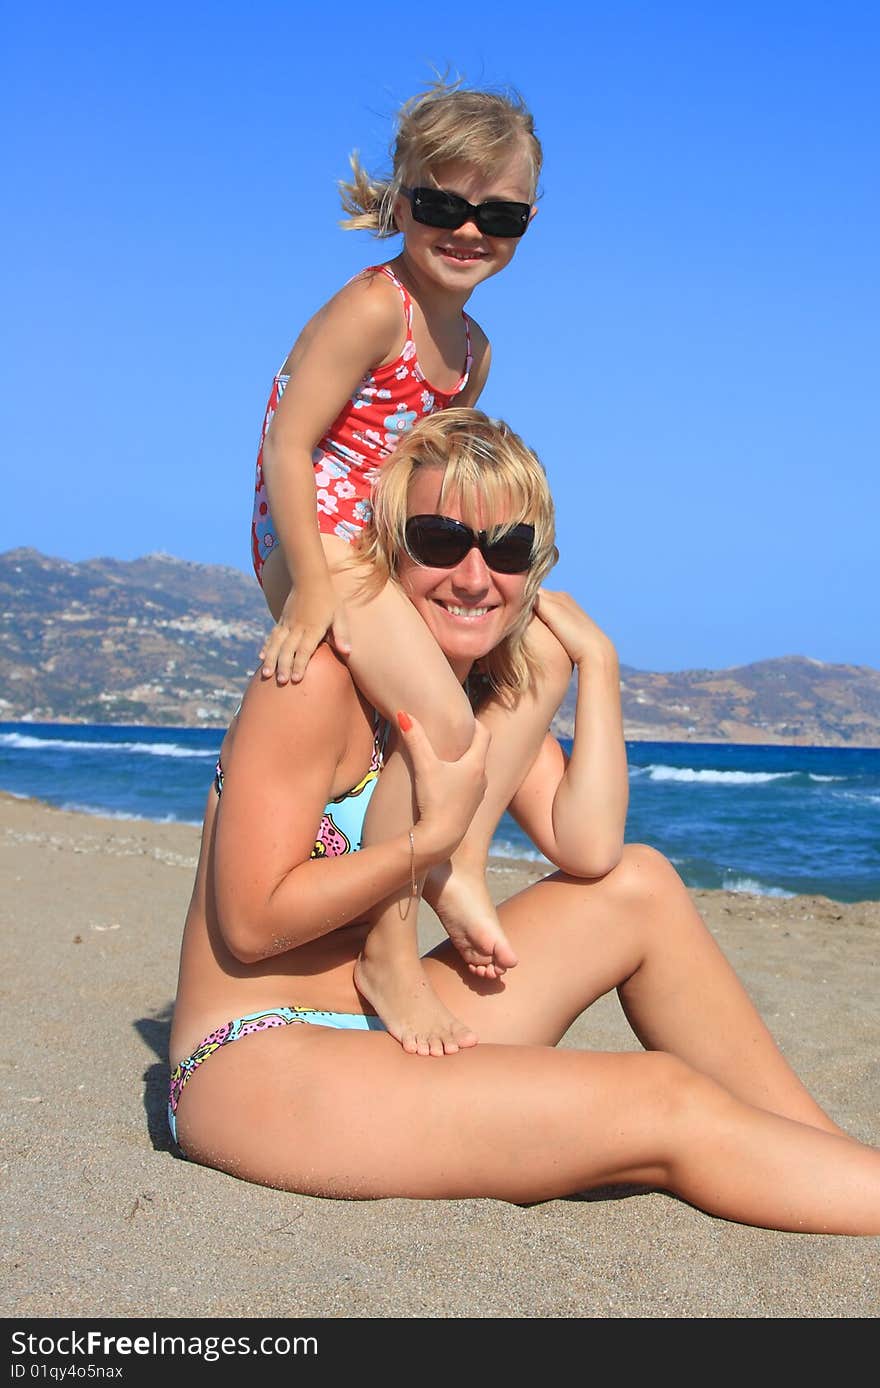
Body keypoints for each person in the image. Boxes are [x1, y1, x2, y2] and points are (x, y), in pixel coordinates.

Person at [170, 409, 880, 1233]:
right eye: (440, 541)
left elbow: (592, 846)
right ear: (389, 546)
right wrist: (425, 848)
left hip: (396, 1027)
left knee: (640, 884)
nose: (475, 577)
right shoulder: (314, 677)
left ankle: (830, 1163)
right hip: (260, 1059)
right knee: (660, 1099)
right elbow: (253, 924)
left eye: (504, 551)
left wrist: (600, 668)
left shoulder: (466, 704)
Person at [249, 77, 573, 1055]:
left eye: (499, 212)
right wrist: (310, 584)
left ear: (524, 220)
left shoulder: (472, 350)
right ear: (401, 200)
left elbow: (430, 478)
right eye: (441, 204)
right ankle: (389, 939)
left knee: (533, 660)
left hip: (382, 543)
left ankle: (451, 858)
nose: (467, 229)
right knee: (434, 722)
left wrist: (494, 578)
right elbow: (287, 448)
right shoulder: (369, 307)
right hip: (314, 533)